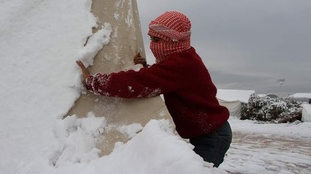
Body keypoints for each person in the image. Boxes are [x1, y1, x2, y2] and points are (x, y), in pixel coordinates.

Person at [76, 11, 232, 167]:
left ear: (174, 41)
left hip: (213, 136)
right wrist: (146, 67)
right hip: (207, 133)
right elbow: (164, 79)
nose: (152, 45)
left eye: (157, 40)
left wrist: (93, 81)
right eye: (151, 39)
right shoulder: (184, 58)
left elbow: (138, 83)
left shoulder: (182, 64)